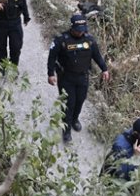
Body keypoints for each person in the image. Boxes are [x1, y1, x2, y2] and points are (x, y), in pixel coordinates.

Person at [47, 13, 110, 142]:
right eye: (78, 31)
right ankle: (67, 129)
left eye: (82, 31)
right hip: (66, 77)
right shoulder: (61, 40)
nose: (80, 33)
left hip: (83, 77)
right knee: (68, 104)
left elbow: (97, 56)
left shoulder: (89, 41)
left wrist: (104, 69)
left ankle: (75, 119)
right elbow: (52, 58)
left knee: (80, 101)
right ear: (72, 28)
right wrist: (50, 74)